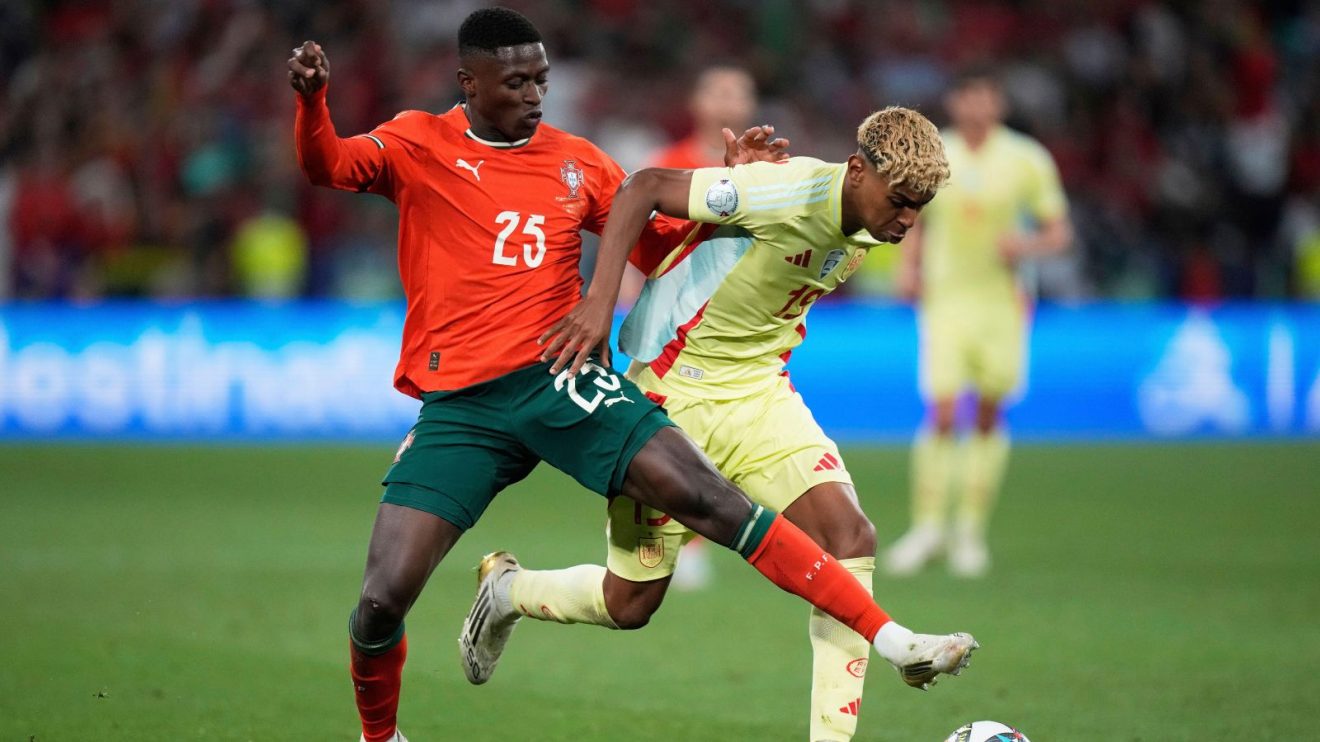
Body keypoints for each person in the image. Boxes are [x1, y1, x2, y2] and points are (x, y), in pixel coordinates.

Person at [287, 8, 975, 741]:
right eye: (516, 81)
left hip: (561, 374)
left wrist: (729, 195)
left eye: (542, 80)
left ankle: (892, 640)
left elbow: (660, 244)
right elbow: (328, 164)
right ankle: (384, 732)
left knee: (721, 504)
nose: (533, 94)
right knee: (383, 602)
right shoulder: (417, 141)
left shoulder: (577, 160)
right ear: (470, 82)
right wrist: (311, 103)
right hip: (460, 400)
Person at [467, 105, 972, 742]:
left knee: (850, 539)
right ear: (856, 171)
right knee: (631, 604)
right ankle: (510, 592)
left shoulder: (870, 216)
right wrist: (598, 303)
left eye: (918, 207)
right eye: (900, 201)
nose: (906, 220)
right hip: (672, 396)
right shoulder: (783, 191)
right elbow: (643, 188)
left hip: (760, 394)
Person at [883, 68, 1072, 578]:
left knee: (988, 413)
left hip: (1002, 303)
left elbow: (1058, 231)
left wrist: (1026, 245)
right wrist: (908, 265)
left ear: (998, 103)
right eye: (969, 96)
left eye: (986, 96)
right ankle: (927, 528)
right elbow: (914, 215)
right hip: (946, 299)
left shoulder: (1026, 159)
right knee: (942, 412)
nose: (977, 106)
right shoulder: (934, 152)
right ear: (955, 101)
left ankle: (969, 530)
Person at [641, 63, 760, 590]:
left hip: (737, 327)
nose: (727, 102)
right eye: (717, 90)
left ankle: (697, 538)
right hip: (672, 323)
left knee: (728, 436)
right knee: (665, 437)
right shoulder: (669, 164)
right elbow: (642, 242)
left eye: (737, 92)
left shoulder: (768, 173)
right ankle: (668, 541)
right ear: (696, 101)